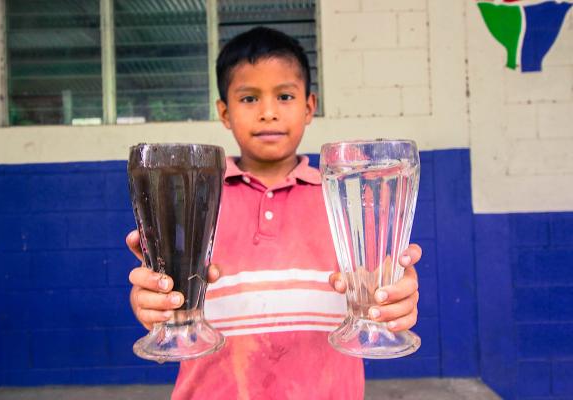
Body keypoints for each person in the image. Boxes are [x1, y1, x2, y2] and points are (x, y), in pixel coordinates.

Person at [126, 26, 421, 399]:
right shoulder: (194, 202)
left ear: (310, 106)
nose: (268, 113)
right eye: (249, 99)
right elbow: (163, 294)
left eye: (284, 96)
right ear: (224, 112)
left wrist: (395, 300)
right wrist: (153, 302)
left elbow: (381, 284)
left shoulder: (345, 201)